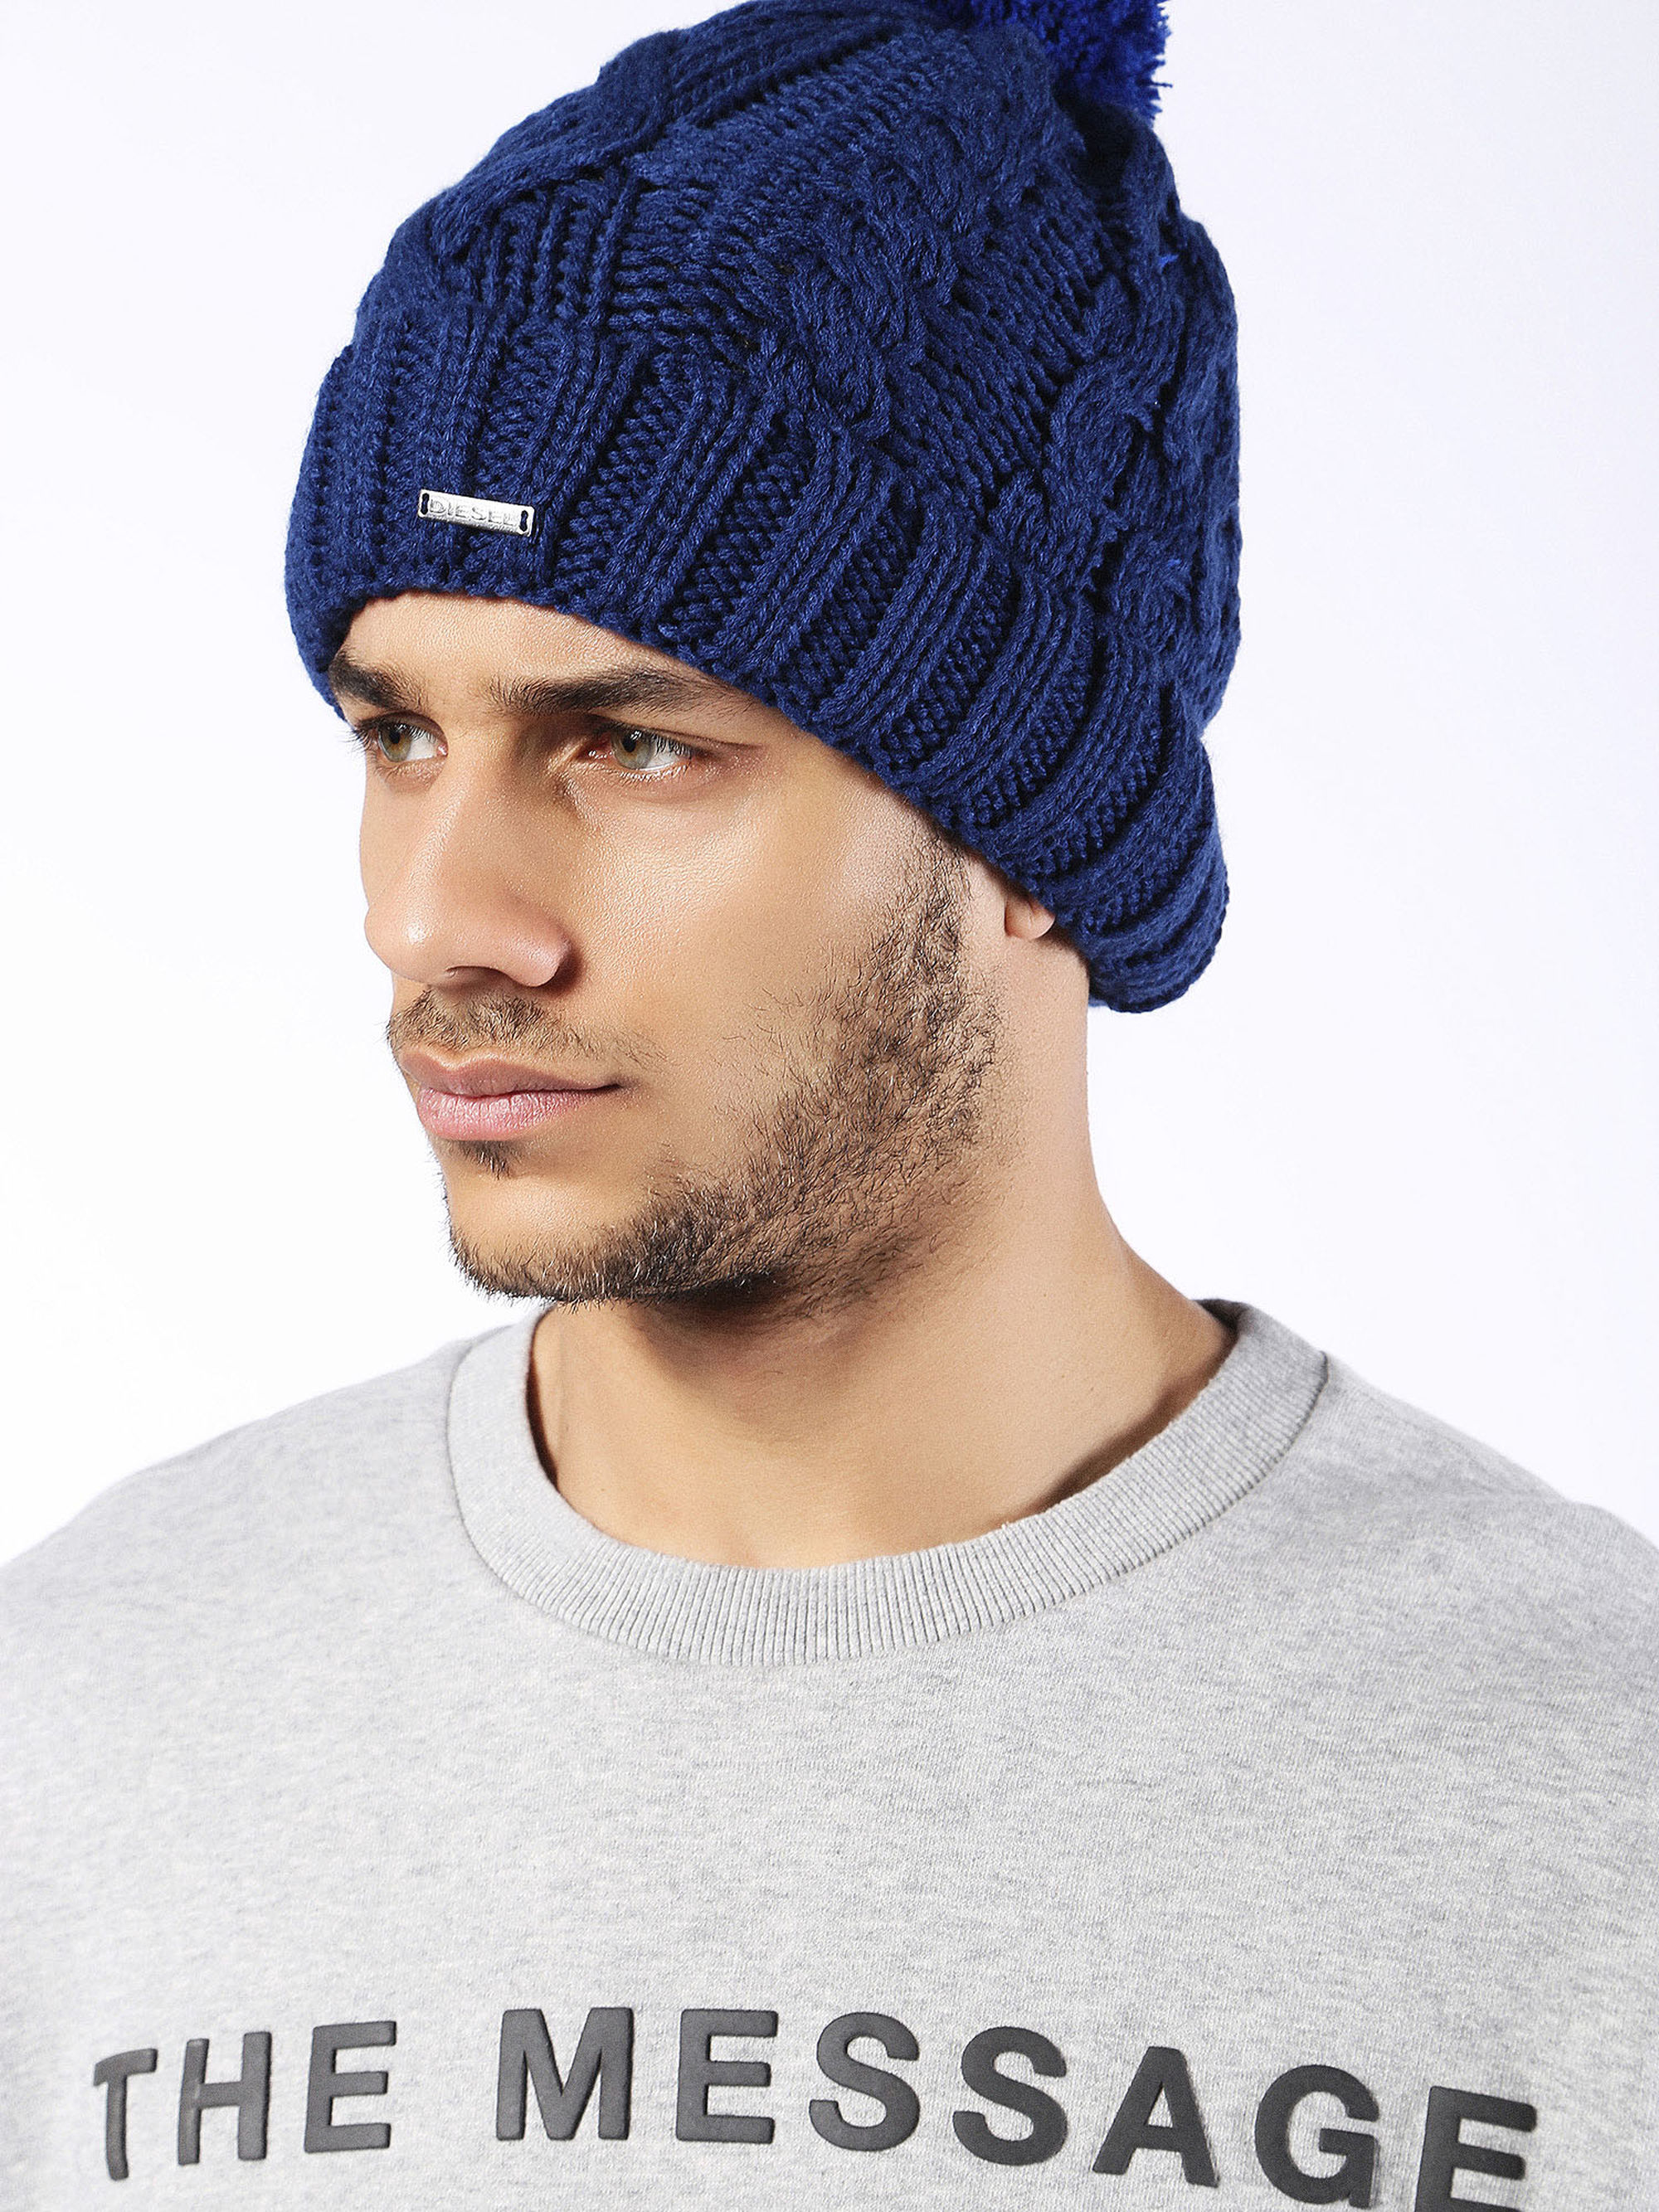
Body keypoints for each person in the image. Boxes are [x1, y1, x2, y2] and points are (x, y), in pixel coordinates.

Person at [2, 0, 1653, 2201]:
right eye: (396, 734)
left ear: (1034, 833)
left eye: (633, 743)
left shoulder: (1596, 1796)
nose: (436, 917)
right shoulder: (82, 1723)